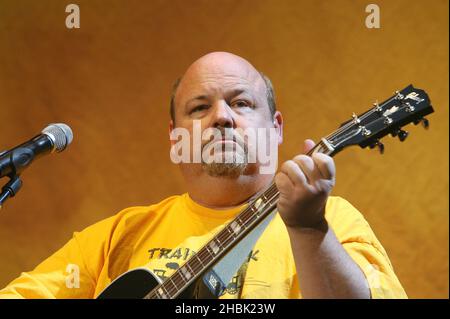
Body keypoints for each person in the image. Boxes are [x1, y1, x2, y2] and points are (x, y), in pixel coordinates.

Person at [0, 52, 406, 299]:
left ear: (276, 128)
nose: (222, 117)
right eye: (199, 108)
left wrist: (308, 229)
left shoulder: (333, 221)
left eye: (241, 103)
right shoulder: (118, 236)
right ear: (176, 138)